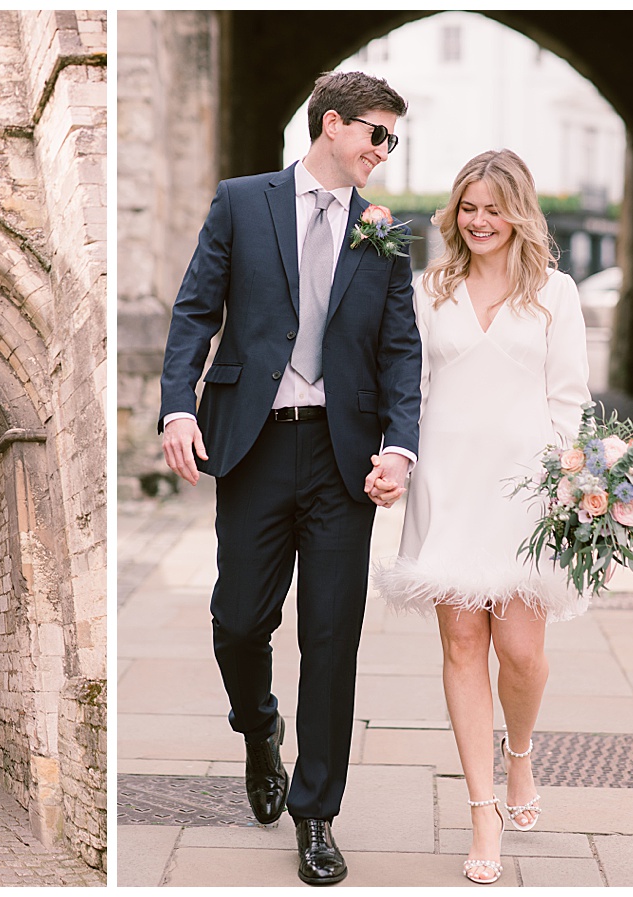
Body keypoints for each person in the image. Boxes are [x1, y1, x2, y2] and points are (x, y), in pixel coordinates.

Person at [159, 71, 421, 886]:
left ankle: (317, 814)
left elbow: (400, 350)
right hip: (254, 443)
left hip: (344, 457)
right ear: (333, 125)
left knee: (330, 638)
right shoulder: (242, 201)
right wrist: (176, 407)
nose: (384, 151)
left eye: (392, 140)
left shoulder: (382, 231)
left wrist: (400, 448)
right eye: (378, 134)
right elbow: (196, 308)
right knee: (239, 620)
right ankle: (259, 726)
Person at [372, 149, 590, 884]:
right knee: (464, 643)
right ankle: (481, 812)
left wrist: (568, 486)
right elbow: (413, 386)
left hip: (528, 489)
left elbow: (569, 399)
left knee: (522, 650)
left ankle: (520, 755)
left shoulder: (555, 292)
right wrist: (396, 459)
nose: (480, 221)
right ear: (455, 213)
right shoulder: (430, 289)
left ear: (519, 212)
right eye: (469, 207)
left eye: (494, 208)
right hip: (449, 482)